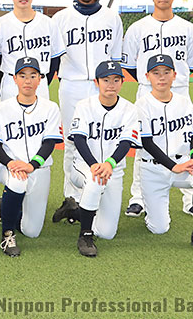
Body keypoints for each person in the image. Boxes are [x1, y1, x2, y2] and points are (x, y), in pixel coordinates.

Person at [122, 0, 193, 217]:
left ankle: (191, 197)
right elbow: (129, 64)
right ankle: (139, 198)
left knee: (184, 141)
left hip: (178, 91)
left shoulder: (187, 28)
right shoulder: (137, 28)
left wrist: (169, 83)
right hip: (146, 91)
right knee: (143, 143)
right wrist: (152, 83)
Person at [51, 0, 123, 225]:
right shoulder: (60, 18)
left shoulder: (112, 17)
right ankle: (71, 197)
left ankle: (97, 193)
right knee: (72, 140)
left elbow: (115, 57)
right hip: (71, 84)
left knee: (101, 138)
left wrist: (110, 84)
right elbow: (53, 57)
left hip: (102, 84)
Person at [135, 55, 193, 254]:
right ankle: (151, 209)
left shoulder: (184, 102)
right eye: (156, 73)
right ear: (147, 76)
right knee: (159, 229)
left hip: (183, 165)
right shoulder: (141, 105)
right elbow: (146, 142)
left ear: (174, 75)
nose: (161, 77)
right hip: (153, 168)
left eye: (166, 72)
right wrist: (173, 166)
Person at [0, 57, 63, 257]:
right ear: (14, 79)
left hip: (40, 169)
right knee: (17, 183)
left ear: (40, 79)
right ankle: (8, 233)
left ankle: (5, 206)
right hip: (11, 168)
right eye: (22, 75)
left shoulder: (51, 108)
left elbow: (50, 143)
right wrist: (11, 163)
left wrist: (32, 165)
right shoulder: (1, 109)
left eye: (32, 75)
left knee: (32, 231)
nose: (27, 80)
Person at [66, 61, 139, 257]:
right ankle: (85, 235)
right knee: (95, 182)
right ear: (96, 82)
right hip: (84, 166)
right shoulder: (84, 106)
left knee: (107, 233)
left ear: (122, 82)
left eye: (116, 80)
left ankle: (74, 211)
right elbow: (79, 140)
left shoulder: (129, 109)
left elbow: (126, 143)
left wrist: (109, 164)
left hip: (113, 169)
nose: (111, 84)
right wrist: (94, 165)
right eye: (106, 80)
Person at [0, 0, 65, 102]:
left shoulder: (49, 23)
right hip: (11, 84)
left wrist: (42, 81)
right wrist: (4, 83)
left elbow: (55, 58)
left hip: (40, 83)